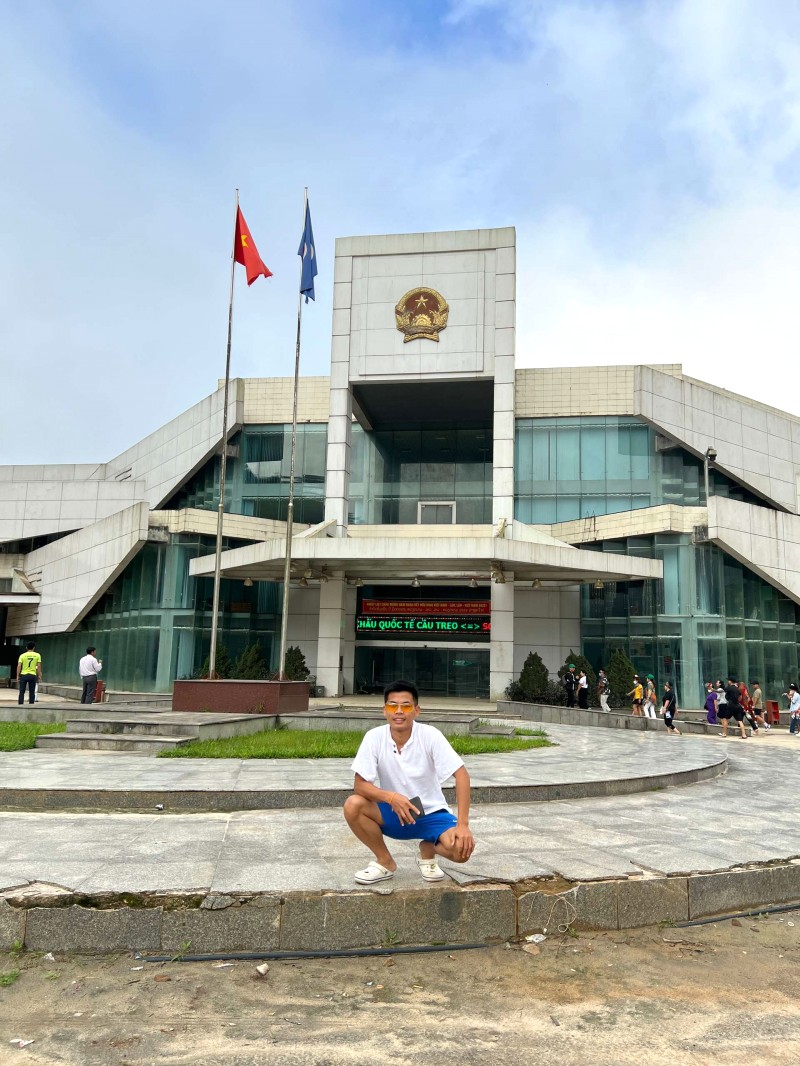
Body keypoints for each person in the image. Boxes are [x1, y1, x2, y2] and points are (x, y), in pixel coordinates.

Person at [344, 679, 475, 885]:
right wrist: (392, 797)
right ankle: (385, 861)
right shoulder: (374, 737)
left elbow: (461, 775)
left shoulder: (430, 735)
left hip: (431, 813)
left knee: (461, 850)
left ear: (416, 710)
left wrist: (463, 825)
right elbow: (360, 785)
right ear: (384, 710)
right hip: (394, 812)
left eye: (406, 706)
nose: (399, 711)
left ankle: (428, 847)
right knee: (353, 804)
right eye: (392, 705)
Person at [16, 641, 42, 706]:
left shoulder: (22, 655)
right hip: (32, 675)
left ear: (26, 647)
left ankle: (20, 705)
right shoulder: (37, 655)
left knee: (22, 691)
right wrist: (39, 675)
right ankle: (31, 705)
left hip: (23, 675)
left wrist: (17, 675)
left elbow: (19, 666)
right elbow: (38, 666)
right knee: (32, 691)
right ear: (34, 648)